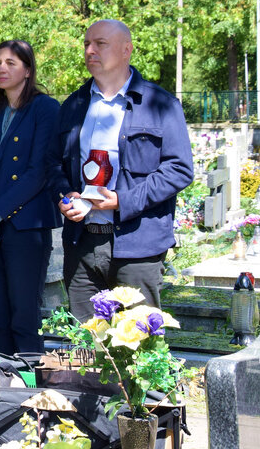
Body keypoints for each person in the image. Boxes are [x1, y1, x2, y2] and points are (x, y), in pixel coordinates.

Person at [45, 20, 193, 322]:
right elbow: (52, 164)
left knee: (139, 347)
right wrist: (64, 194)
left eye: (100, 43)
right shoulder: (73, 105)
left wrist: (121, 201)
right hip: (82, 243)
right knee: (86, 348)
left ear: (127, 50)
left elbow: (179, 169)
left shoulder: (160, 104)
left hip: (137, 246)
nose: (90, 50)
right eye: (87, 44)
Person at [0, 40, 61, 354]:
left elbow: (39, 172)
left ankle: (30, 386)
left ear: (28, 70)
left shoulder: (46, 109)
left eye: (11, 62)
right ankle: (3, 390)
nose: (1, 69)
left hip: (24, 226)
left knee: (24, 315)